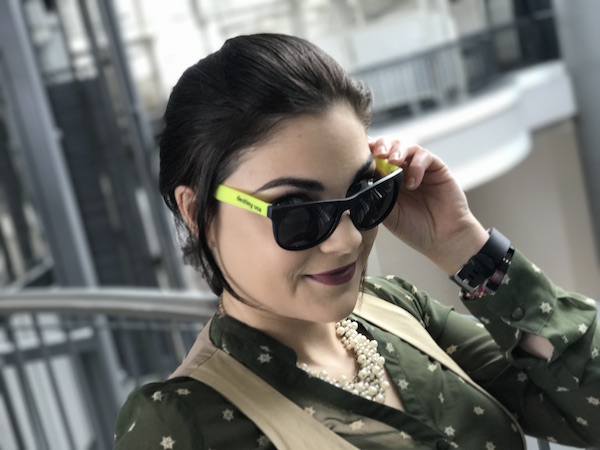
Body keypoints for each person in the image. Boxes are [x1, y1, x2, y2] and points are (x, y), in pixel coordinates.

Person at [114, 33, 600, 449]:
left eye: (364, 193)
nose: (347, 240)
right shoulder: (182, 422)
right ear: (197, 212)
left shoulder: (397, 311)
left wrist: (461, 244)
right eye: (297, 212)